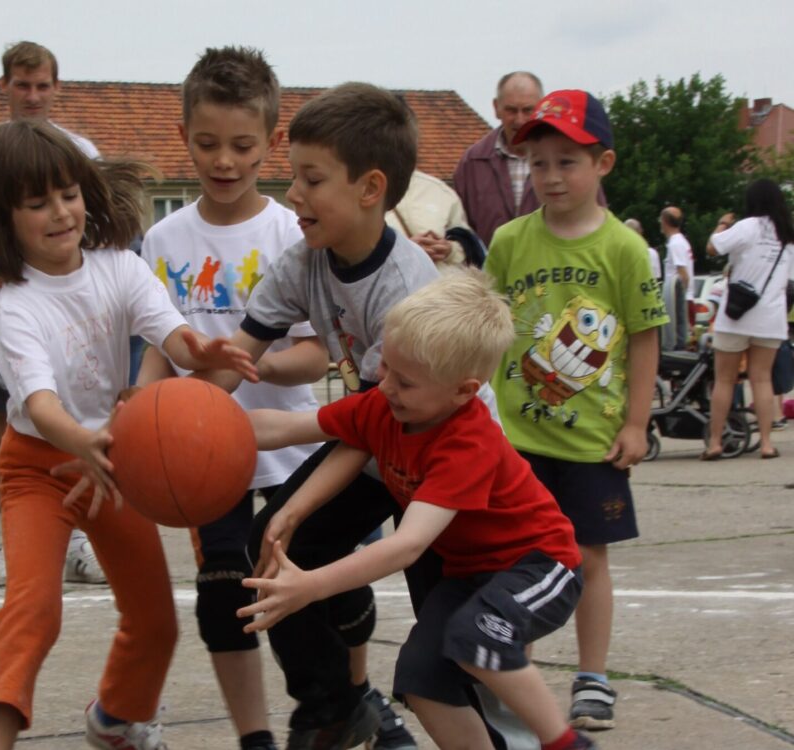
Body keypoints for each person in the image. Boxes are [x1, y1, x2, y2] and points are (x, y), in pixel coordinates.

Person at [189, 82, 511, 749]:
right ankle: (334, 707)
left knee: (443, 644)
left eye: (310, 179)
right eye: (292, 176)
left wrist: (295, 501)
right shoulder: (304, 262)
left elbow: (367, 429)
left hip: (453, 466)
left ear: (370, 189)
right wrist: (177, 416)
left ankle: (498, 734)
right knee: (271, 547)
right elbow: (239, 359)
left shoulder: (404, 291)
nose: (293, 195)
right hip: (386, 442)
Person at [0, 119, 257, 750]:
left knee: (155, 619)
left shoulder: (118, 266)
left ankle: (117, 721)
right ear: (3, 218)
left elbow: (168, 331)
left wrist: (197, 345)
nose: (60, 213)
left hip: (110, 458)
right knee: (32, 613)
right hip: (41, 465)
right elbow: (39, 403)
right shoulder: (14, 303)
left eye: (67, 194)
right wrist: (81, 442)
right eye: (37, 203)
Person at [242, 270, 594, 750]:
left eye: (405, 381)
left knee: (478, 641)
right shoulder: (386, 407)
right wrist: (212, 426)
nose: (385, 386)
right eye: (385, 367)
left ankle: (566, 743)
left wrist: (309, 585)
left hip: (538, 564)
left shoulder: (468, 440)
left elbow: (407, 545)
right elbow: (284, 427)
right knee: (421, 679)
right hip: (469, 575)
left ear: (463, 392)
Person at [137, 47, 331, 750]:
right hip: (203, 454)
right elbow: (160, 346)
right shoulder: (161, 239)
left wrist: (259, 365)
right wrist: (143, 410)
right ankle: (256, 739)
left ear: (271, 144)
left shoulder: (291, 233)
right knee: (225, 596)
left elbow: (320, 350)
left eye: (242, 146)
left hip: (285, 445)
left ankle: (343, 708)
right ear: (183, 135)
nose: (224, 161)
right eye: (207, 143)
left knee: (312, 596)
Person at [485, 90, 667, 733]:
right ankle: (515, 669)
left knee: (588, 559)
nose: (552, 177)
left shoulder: (624, 250)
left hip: (592, 440)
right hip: (515, 438)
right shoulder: (509, 240)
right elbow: (487, 322)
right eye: (539, 163)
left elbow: (646, 338)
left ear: (604, 164)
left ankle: (593, 676)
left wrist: (637, 422)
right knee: (517, 559)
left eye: (568, 161)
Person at [0, 40, 104, 587]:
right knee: (11, 429)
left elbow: (100, 232)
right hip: (2, 319)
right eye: (22, 84)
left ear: (57, 88)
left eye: (42, 85)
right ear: (3, 87)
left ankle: (81, 540)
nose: (32, 95)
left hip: (76, 318)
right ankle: (14, 540)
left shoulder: (80, 150)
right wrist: (3, 263)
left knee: (77, 421)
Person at [703, 179, 794, 461]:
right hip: (770, 317)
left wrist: (721, 225)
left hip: (736, 316)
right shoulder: (788, 236)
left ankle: (716, 442)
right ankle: (766, 444)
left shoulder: (746, 226)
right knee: (762, 380)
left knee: (725, 379)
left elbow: (712, 248)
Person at [452, 72, 544, 248]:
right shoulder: (472, 163)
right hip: (489, 273)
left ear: (541, 109)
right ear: (496, 107)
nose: (520, 120)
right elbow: (458, 231)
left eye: (528, 110)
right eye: (511, 110)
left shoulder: (563, 160)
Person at [386, 169, 473, 272]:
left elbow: (469, 246)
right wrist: (404, 251)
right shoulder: (363, 188)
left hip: (440, 285)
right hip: (387, 285)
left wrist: (450, 250)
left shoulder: (440, 191)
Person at [660, 206, 694, 349]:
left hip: (678, 301)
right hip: (683, 299)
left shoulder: (675, 243)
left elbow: (683, 275)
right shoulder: (681, 241)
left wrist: (682, 300)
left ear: (665, 221)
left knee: (677, 341)